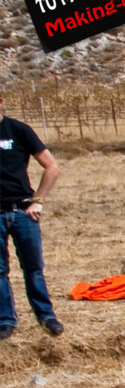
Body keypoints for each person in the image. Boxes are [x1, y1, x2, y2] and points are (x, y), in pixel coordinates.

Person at [0, 90, 63, 340]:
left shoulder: (18, 130)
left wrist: (38, 200)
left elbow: (52, 166)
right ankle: (5, 321)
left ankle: (46, 316)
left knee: (33, 268)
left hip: (22, 212)